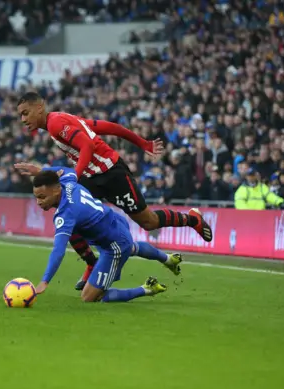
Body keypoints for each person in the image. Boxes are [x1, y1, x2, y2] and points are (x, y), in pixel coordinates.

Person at [14, 92, 212, 290]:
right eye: (21, 115)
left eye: (25, 113)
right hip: (92, 178)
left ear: (39, 108)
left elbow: (87, 145)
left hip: (111, 173)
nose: (23, 120)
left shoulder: (56, 124)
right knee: (69, 214)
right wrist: (141, 142)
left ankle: (192, 219)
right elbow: (106, 127)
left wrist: (75, 176)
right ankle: (92, 264)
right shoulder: (60, 121)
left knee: (148, 222)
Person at [32, 167, 183, 302]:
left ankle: (147, 288)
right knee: (130, 247)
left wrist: (45, 280)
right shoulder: (67, 180)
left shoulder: (66, 214)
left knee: (89, 297)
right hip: (115, 223)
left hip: (113, 246)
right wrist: (41, 170)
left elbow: (58, 250)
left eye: (42, 197)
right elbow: (63, 170)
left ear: (57, 190)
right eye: (37, 197)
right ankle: (168, 259)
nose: (38, 202)